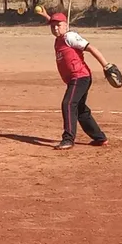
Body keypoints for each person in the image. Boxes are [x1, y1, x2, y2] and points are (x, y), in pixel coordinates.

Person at [39, 10, 110, 150]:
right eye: (52, 26)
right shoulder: (58, 39)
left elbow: (91, 48)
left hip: (80, 77)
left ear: (66, 25)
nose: (55, 28)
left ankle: (68, 139)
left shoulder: (70, 37)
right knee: (81, 110)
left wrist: (106, 65)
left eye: (58, 25)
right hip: (75, 79)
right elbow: (56, 23)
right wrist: (47, 16)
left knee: (68, 104)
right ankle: (100, 138)